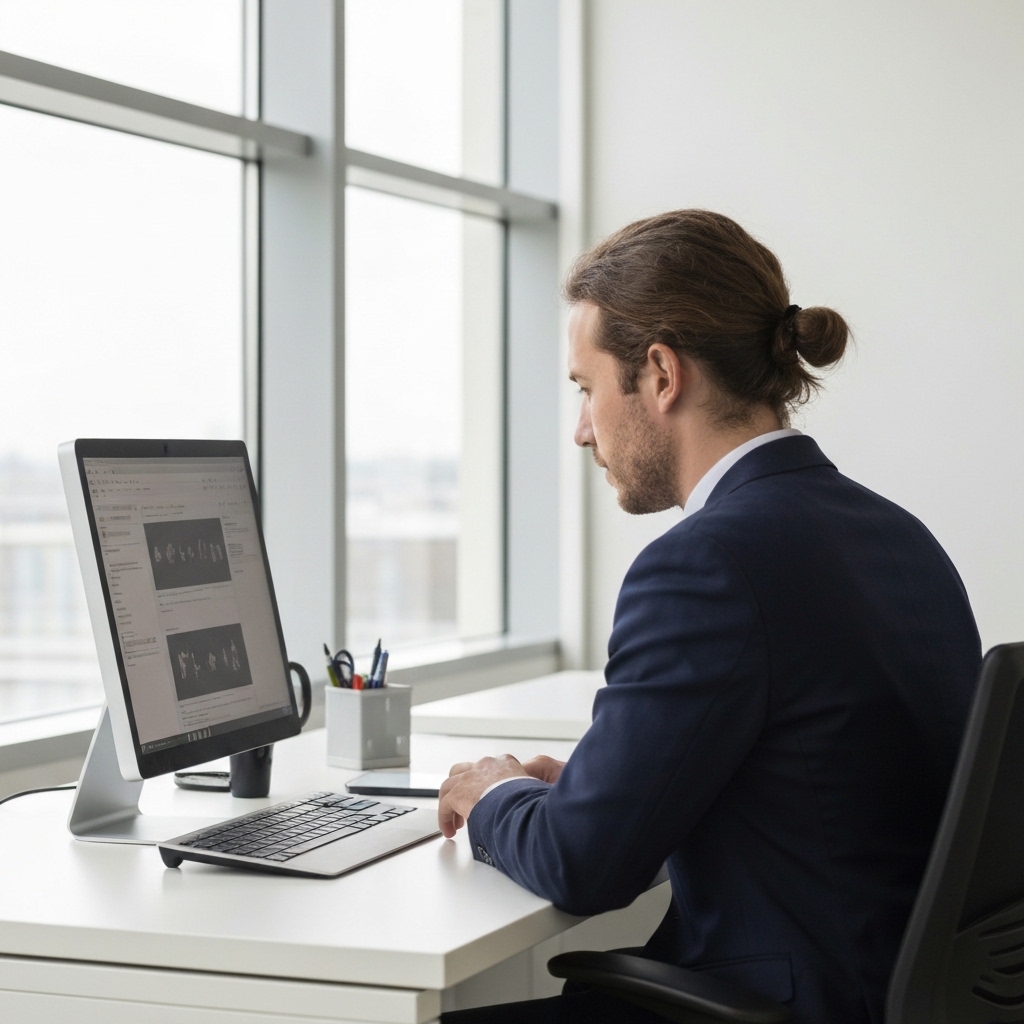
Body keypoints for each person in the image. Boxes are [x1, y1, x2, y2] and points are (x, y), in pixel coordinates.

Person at [438, 210, 981, 1024]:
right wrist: (597, 787)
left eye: (587, 390)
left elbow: (583, 867)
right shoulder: (900, 537)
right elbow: (817, 783)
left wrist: (493, 795)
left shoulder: (705, 563)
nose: (582, 431)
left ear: (661, 374)